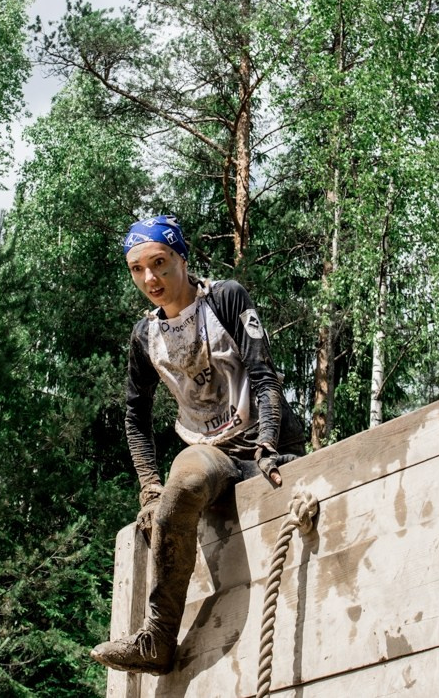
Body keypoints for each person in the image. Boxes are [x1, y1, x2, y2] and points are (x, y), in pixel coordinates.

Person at [90, 215, 305, 676]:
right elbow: (135, 416)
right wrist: (150, 487)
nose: (150, 278)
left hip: (266, 442)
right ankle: (158, 638)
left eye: (160, 263)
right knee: (180, 484)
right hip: (211, 448)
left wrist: (268, 444)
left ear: (182, 260)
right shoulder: (145, 336)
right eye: (137, 268)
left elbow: (265, 374)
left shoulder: (225, 297)